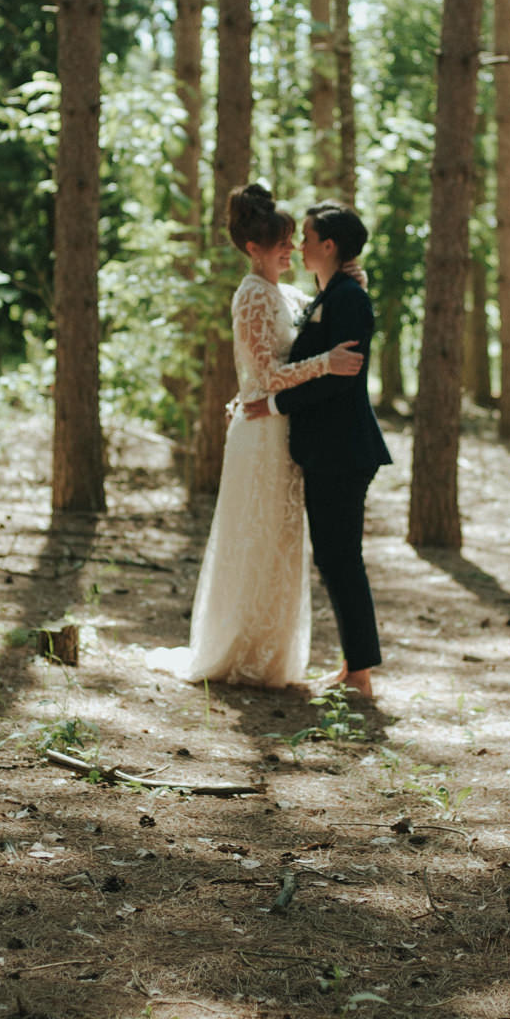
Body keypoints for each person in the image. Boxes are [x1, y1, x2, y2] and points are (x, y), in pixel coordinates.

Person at [146, 184, 365, 687]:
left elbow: (322, 309)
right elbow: (266, 375)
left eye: (293, 241)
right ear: (254, 249)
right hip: (259, 434)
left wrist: (351, 276)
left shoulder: (287, 293)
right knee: (254, 535)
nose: (291, 250)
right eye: (282, 244)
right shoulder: (250, 295)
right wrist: (325, 364)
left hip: (283, 431)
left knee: (281, 539)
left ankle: (274, 655)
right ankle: (241, 647)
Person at [244, 201, 391, 696]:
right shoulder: (331, 293)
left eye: (306, 237)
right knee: (335, 556)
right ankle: (355, 666)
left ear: (329, 246)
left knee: (341, 557)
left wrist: (278, 404)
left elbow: (338, 380)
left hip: (343, 450)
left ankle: (361, 674)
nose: (299, 245)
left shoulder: (348, 297)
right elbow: (311, 357)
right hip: (329, 449)